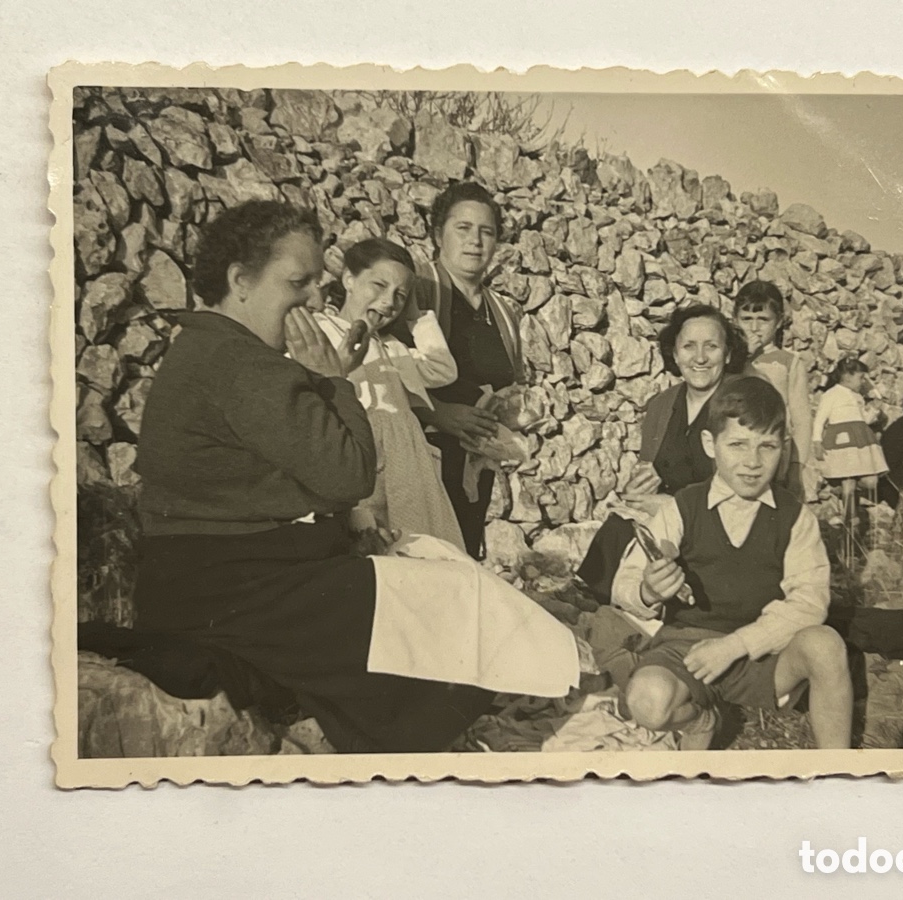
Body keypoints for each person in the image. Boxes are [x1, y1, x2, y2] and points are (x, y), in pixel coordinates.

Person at [131, 200, 578, 754]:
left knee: (433, 579)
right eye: (297, 283)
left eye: (316, 284)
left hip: (209, 582)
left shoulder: (210, 349)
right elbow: (348, 475)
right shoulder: (241, 363)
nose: (313, 300)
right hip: (230, 590)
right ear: (240, 281)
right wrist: (334, 381)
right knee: (450, 599)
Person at [611, 376, 853, 749]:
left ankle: (837, 770)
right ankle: (700, 720)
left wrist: (735, 646)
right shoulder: (682, 508)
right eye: (737, 445)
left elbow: (810, 602)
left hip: (761, 651)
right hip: (688, 650)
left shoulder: (795, 517)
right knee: (647, 702)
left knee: (826, 644)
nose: (752, 462)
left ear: (784, 447)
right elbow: (623, 583)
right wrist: (648, 590)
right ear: (710, 444)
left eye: (767, 446)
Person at [576, 304, 749, 600]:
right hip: (664, 523)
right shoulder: (662, 406)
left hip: (717, 530)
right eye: (689, 346)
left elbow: (747, 489)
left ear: (728, 354)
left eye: (711, 346)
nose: (700, 358)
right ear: (675, 354)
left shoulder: (742, 404)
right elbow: (650, 467)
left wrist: (674, 508)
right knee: (618, 530)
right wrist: (641, 486)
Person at [313, 238, 466, 551]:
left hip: (407, 467)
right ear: (349, 279)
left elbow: (442, 369)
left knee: (418, 544)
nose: (388, 302)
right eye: (379, 285)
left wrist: (414, 315)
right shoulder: (322, 330)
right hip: (361, 457)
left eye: (400, 295)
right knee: (369, 541)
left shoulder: (392, 347)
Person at [404, 182, 525, 560]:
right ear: (438, 234)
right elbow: (379, 371)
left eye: (486, 231)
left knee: (462, 563)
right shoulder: (419, 290)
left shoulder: (503, 311)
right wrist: (438, 412)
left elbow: (510, 381)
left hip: (473, 468)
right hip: (419, 465)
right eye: (463, 228)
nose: (475, 241)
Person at [733, 280, 817, 501]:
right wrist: (743, 355)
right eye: (746, 319)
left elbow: (801, 419)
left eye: (763, 319)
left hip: (774, 452)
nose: (754, 327)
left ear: (778, 321)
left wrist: (797, 467)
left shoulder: (789, 362)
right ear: (735, 320)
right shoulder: (729, 359)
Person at [812, 356, 889, 533]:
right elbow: (820, 419)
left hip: (860, 441)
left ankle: (841, 493)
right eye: (860, 377)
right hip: (843, 441)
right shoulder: (831, 394)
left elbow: (864, 420)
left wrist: (874, 408)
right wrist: (817, 441)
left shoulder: (857, 397)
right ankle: (850, 519)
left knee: (871, 481)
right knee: (849, 482)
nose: (863, 382)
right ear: (847, 376)